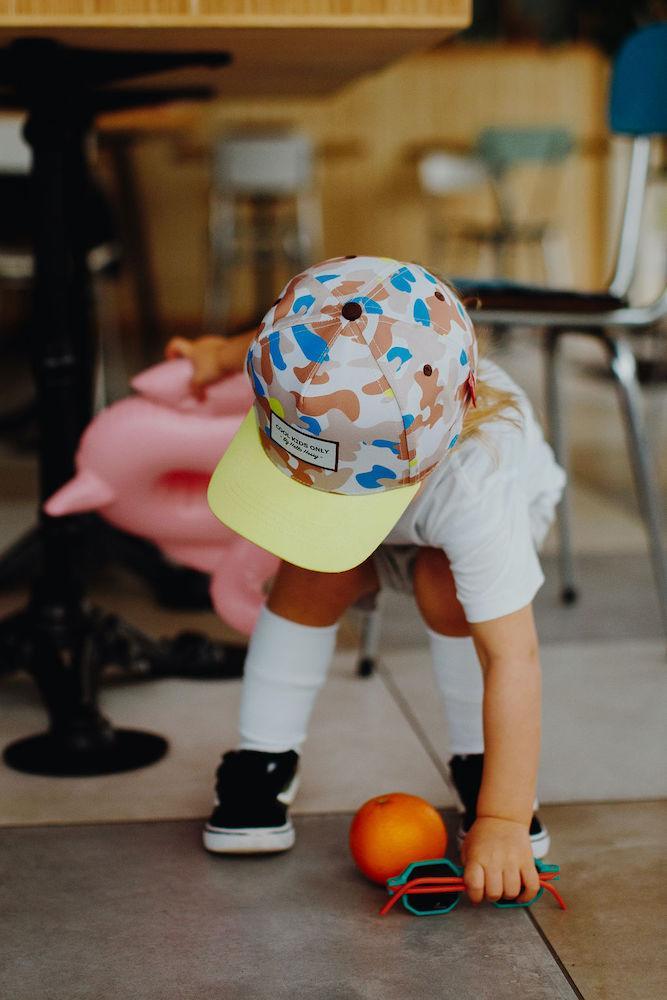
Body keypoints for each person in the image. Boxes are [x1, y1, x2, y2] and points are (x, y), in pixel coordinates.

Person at [166, 255, 565, 906]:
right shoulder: (321, 343)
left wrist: (502, 821)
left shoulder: (475, 484)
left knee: (446, 590)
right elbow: (301, 326)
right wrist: (220, 353)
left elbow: (512, 657)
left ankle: (480, 768)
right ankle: (260, 761)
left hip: (450, 525)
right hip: (366, 513)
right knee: (309, 574)